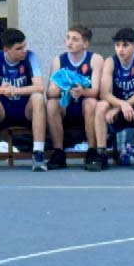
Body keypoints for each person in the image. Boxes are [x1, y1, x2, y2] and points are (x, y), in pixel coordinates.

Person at [0, 28, 47, 172]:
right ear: (6, 49)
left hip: (25, 111)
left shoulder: (30, 57)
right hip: (4, 111)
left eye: (24, 46)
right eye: (18, 48)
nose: (24, 51)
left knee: (38, 98)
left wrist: (16, 90)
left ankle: (38, 153)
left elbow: (40, 87)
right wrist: (3, 90)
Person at [45, 24, 104, 170]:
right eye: (68, 38)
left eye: (75, 39)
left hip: (85, 107)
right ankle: (58, 152)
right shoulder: (58, 60)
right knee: (52, 104)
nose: (69, 42)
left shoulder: (95, 59)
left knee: (91, 102)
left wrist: (82, 91)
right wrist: (65, 87)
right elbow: (49, 92)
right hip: (66, 107)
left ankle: (91, 151)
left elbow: (96, 91)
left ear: (85, 44)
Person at [93, 28, 134, 171]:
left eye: (125, 45)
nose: (120, 49)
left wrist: (121, 106)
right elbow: (104, 93)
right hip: (118, 108)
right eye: (117, 45)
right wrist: (120, 105)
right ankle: (101, 153)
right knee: (100, 106)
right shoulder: (110, 61)